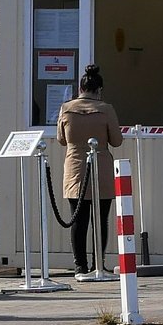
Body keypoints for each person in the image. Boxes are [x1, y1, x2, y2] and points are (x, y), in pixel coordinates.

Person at [57, 64, 124, 275]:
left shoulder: (66, 109)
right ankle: (98, 264)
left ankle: (80, 265)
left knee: (78, 218)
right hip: (101, 167)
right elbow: (117, 140)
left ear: (80, 88)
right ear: (99, 90)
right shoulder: (106, 109)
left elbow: (61, 140)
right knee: (100, 219)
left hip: (75, 168)